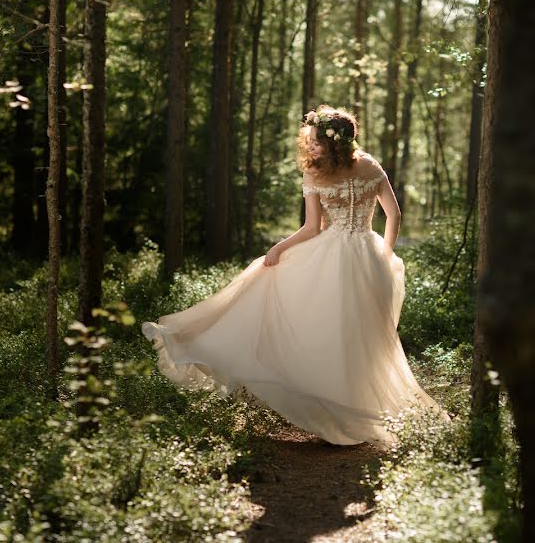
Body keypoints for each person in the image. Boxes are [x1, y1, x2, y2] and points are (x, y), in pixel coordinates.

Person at [142, 104, 449, 448]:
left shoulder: (316, 174)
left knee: (328, 329)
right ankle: (349, 409)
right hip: (368, 255)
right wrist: (386, 255)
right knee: (359, 337)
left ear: (333, 143)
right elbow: (394, 215)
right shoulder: (370, 166)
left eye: (316, 141)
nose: (311, 146)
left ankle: (339, 410)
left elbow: (311, 228)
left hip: (333, 256)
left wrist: (278, 248)